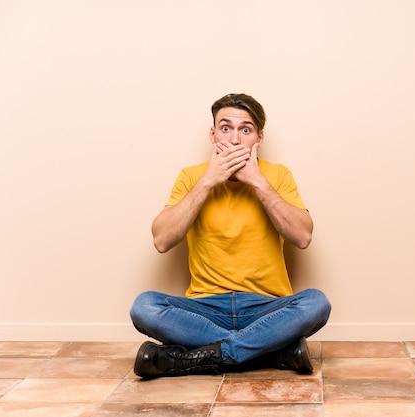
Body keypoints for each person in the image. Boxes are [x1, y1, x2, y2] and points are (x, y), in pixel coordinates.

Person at [130, 93, 331, 378]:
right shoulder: (192, 176)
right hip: (204, 307)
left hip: (265, 307)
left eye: (245, 130)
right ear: (213, 135)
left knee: (316, 303)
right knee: (144, 307)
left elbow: (302, 237)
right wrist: (208, 182)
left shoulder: (277, 175)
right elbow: (162, 240)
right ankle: (271, 351)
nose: (235, 140)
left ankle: (200, 357)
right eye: (226, 128)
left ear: (259, 138)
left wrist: (257, 182)